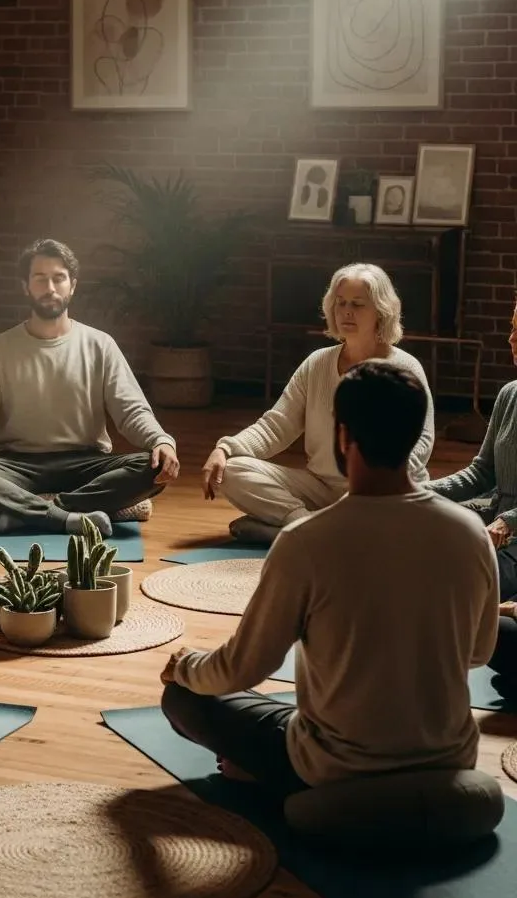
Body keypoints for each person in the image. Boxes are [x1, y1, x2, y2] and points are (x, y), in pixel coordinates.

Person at [162, 361, 498, 796]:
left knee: (183, 698)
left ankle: (268, 773)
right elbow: (478, 652)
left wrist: (185, 666)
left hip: (331, 769)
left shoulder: (305, 542)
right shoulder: (471, 533)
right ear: (416, 437)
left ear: (342, 435)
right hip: (448, 761)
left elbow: (243, 668)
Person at [0, 238, 179, 535]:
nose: (50, 288)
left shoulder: (100, 345)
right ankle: (66, 517)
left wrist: (162, 441)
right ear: (26, 286)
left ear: (72, 285)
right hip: (14, 466)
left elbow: (131, 410)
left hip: (85, 463)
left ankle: (29, 513)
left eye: (58, 278)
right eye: (40, 279)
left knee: (151, 469)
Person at [202, 262, 435, 544]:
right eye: (341, 303)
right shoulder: (317, 363)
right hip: (322, 488)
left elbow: (421, 443)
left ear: (381, 311)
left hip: (385, 493)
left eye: (358, 304)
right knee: (231, 470)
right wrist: (224, 448)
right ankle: (307, 526)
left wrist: (368, 490)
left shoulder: (405, 367)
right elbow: (276, 426)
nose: (347, 311)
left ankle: (297, 532)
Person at [429, 298, 517, 697]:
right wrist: (417, 492)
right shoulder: (508, 395)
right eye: (512, 328)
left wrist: (509, 522)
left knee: (458, 582)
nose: (512, 339)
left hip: (511, 534)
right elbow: (481, 473)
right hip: (492, 516)